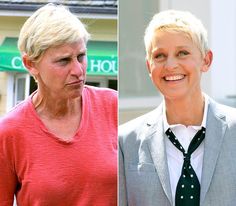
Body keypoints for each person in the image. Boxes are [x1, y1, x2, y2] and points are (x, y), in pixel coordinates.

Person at [0, 4, 117, 206]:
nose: (78, 70)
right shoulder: (9, 132)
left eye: (81, 56)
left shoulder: (113, 107)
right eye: (63, 61)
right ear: (30, 64)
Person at [119, 9, 236, 206]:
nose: (171, 65)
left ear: (206, 60)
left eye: (183, 53)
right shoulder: (125, 141)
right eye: (160, 56)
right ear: (149, 67)